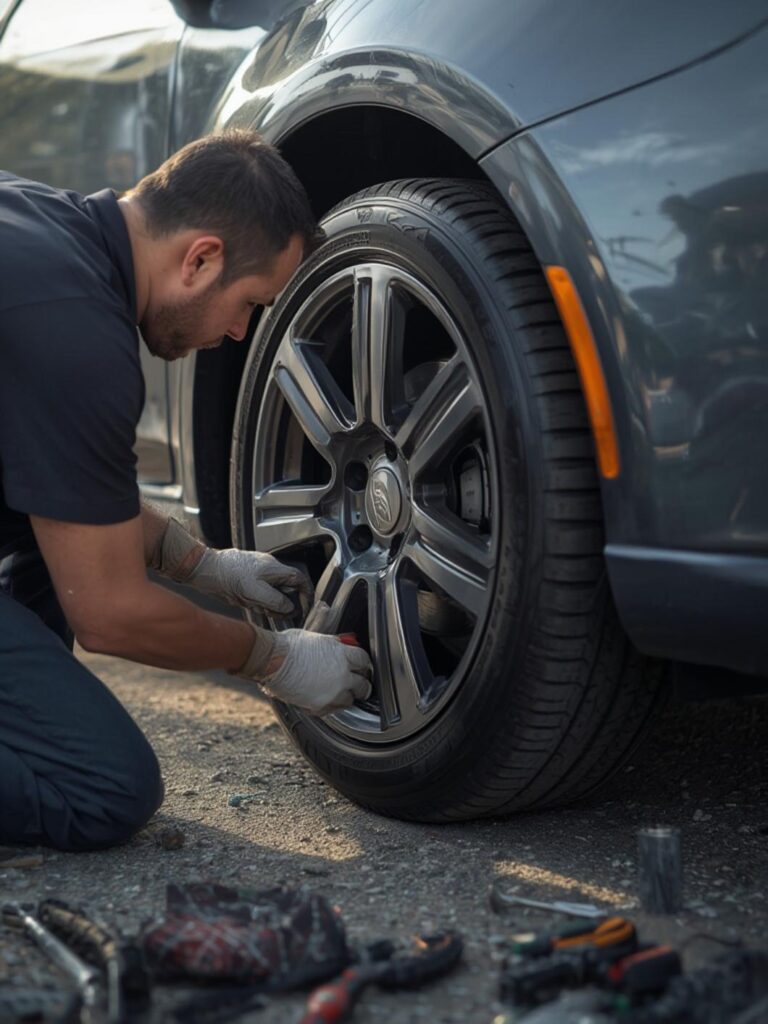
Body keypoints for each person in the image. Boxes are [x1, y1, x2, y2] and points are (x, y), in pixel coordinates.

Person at [0, 130, 372, 852]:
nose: (239, 334)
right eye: (248, 305)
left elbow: (70, 491)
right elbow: (109, 614)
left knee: (49, 539)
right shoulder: (77, 341)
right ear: (200, 259)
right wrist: (272, 658)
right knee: (105, 787)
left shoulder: (42, 231)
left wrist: (203, 565)